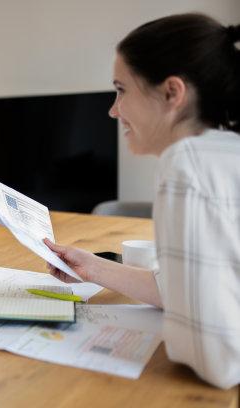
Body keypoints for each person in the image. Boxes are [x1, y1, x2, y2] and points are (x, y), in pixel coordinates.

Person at [44, 13, 240, 389]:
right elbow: (184, 290)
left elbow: (221, 362)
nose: (113, 110)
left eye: (121, 90)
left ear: (171, 93)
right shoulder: (222, 152)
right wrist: (93, 268)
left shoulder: (186, 163)